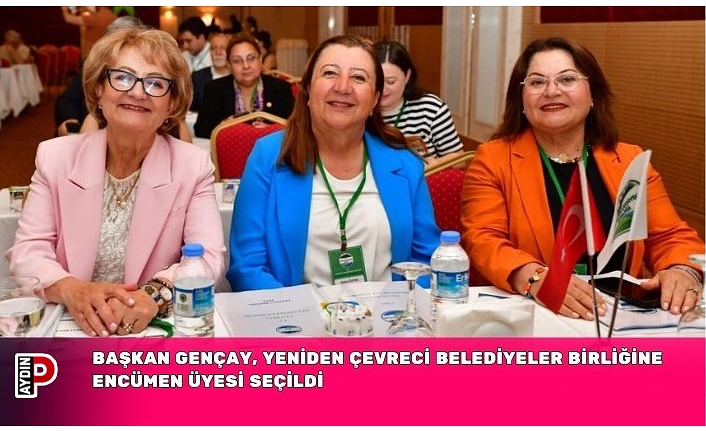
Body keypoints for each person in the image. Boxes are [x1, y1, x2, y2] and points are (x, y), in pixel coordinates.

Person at [461, 36, 704, 320]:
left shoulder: (629, 159)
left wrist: (682, 270)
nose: (552, 91)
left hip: (619, 317)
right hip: (537, 314)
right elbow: (483, 240)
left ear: (593, 95)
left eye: (567, 79)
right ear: (521, 99)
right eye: (537, 82)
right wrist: (535, 278)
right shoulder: (493, 159)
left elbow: (670, 236)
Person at [7, 27, 225, 336]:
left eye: (155, 83)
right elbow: (28, 250)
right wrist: (72, 289)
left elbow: (209, 257)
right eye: (122, 77)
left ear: (172, 104)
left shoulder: (192, 165)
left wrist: (152, 295)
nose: (138, 92)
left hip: (149, 330)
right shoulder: (55, 157)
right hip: (70, 325)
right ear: (99, 89)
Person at [226, 35, 440, 291]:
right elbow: (247, 266)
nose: (343, 87)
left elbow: (425, 261)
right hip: (294, 313)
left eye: (358, 77)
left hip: (387, 312)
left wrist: (394, 309)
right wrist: (301, 311)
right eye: (330, 73)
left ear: (375, 99)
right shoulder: (269, 157)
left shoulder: (404, 164)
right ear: (307, 89)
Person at [373, 41, 464, 168]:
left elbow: (459, 160)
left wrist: (430, 165)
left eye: (391, 82)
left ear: (407, 76)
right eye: (378, 81)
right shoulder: (361, 109)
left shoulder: (431, 108)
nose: (383, 89)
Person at [194, 33, 294, 138]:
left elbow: (295, 129)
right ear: (229, 65)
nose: (246, 66)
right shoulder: (214, 89)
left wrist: (270, 130)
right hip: (231, 146)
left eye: (251, 58)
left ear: (260, 60)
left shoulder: (281, 88)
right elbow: (201, 130)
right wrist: (223, 127)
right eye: (237, 61)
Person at [190, 32, 231, 112]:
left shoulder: (238, 77)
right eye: (213, 48)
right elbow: (189, 111)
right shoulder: (197, 78)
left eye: (223, 48)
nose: (218, 52)